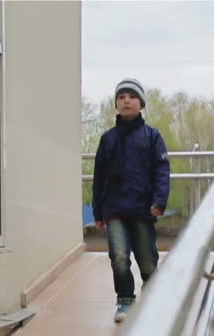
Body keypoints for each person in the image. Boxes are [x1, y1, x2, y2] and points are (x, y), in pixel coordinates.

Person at [92, 78, 171, 323]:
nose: (127, 101)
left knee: (147, 258)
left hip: (143, 209)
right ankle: (125, 299)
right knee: (119, 256)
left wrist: (159, 202)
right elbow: (99, 177)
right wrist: (98, 212)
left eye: (132, 97)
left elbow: (161, 172)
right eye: (122, 97)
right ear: (116, 104)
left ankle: (152, 291)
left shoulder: (152, 137)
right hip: (114, 210)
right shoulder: (107, 139)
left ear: (141, 103)